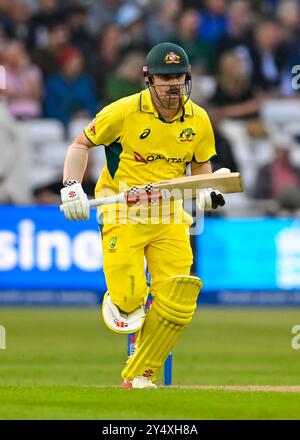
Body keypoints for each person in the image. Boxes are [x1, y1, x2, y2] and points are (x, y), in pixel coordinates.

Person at [59, 42, 229, 389]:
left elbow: (200, 166)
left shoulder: (198, 120)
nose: (173, 85)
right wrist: (72, 186)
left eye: (179, 77)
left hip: (169, 216)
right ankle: (122, 300)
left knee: (176, 299)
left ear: (188, 78)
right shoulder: (122, 112)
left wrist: (206, 192)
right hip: (122, 210)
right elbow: (80, 145)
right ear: (149, 79)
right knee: (130, 299)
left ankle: (141, 372)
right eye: (165, 78)